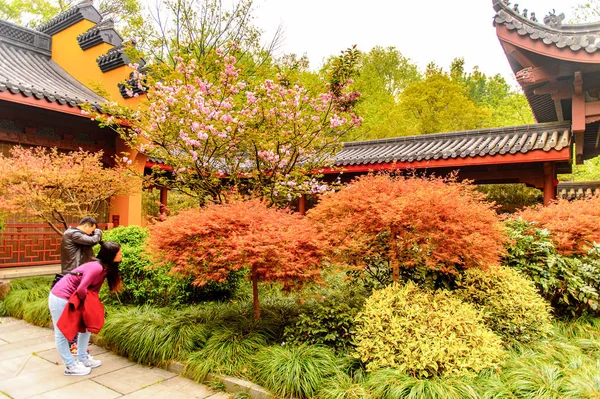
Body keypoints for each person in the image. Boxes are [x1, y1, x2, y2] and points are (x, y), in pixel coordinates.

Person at [48, 241, 123, 376]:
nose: (121, 254)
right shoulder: (96, 268)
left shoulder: (106, 268)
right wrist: (86, 303)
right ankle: (70, 366)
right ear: (110, 255)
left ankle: (82, 358)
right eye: (119, 252)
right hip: (61, 297)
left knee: (86, 327)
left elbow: (91, 290)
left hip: (74, 298)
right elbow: (82, 288)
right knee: (61, 333)